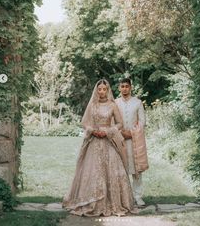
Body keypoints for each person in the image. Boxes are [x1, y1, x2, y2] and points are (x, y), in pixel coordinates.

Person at [62, 79, 138, 217]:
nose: (102, 92)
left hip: (108, 141)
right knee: (93, 171)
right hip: (94, 141)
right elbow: (84, 123)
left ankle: (113, 202)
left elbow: (120, 124)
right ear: (96, 91)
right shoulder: (92, 105)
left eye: (104, 89)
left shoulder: (112, 105)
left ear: (108, 90)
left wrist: (108, 131)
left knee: (112, 171)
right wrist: (93, 130)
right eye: (99, 89)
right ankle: (93, 202)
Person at [115, 78, 149, 207]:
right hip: (120, 139)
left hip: (135, 140)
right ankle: (123, 196)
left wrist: (132, 133)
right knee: (121, 168)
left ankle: (138, 196)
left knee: (136, 169)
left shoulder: (137, 102)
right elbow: (112, 120)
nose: (124, 88)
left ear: (130, 88)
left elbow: (142, 121)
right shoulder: (116, 103)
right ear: (119, 88)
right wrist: (121, 132)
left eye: (127, 86)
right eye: (122, 86)